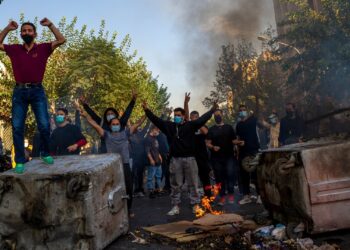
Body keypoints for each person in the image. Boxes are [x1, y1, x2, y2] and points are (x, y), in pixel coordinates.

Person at [0, 18, 66, 173]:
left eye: (30, 30)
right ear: (21, 34)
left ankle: (44, 152)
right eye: (24, 31)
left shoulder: (43, 48)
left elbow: (61, 39)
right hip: (20, 92)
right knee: (17, 127)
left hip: (37, 91)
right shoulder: (14, 49)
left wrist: (50, 25)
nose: (26, 32)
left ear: (35, 34)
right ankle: (20, 160)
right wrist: (7, 29)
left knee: (44, 124)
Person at [142, 99, 218, 216]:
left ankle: (195, 205)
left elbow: (203, 119)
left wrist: (212, 110)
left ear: (183, 116)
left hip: (190, 159)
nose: (176, 117)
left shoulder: (190, 125)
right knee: (175, 184)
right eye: (174, 115)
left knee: (193, 183)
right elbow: (156, 120)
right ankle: (175, 206)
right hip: (175, 160)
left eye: (178, 115)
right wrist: (146, 110)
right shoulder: (170, 126)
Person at [81, 103, 144, 214]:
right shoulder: (106, 135)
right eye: (113, 124)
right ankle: (112, 209)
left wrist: (146, 111)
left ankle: (128, 209)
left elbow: (138, 123)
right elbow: (94, 124)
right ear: (110, 126)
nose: (115, 125)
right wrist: (86, 116)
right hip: (112, 166)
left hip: (124, 164)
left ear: (120, 125)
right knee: (112, 187)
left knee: (128, 187)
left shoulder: (125, 133)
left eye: (117, 124)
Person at [206, 109, 239, 205]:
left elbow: (233, 140)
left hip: (229, 156)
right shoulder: (211, 129)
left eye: (218, 115)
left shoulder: (229, 127)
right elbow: (208, 143)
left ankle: (231, 193)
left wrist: (239, 142)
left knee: (230, 174)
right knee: (219, 177)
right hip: (216, 158)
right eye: (215, 116)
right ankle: (222, 197)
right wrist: (213, 147)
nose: (217, 117)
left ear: (222, 115)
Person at [184, 93, 212, 198]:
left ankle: (208, 196)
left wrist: (198, 123)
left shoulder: (202, 126)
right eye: (191, 118)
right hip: (191, 156)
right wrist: (186, 103)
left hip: (202, 156)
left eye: (194, 118)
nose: (192, 119)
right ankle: (194, 198)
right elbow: (185, 116)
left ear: (198, 117)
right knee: (192, 178)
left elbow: (205, 132)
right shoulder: (189, 126)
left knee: (205, 178)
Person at [236, 105, 261, 205]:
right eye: (240, 110)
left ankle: (260, 196)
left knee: (256, 174)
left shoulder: (253, 120)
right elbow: (238, 138)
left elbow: (262, 125)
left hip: (254, 150)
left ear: (247, 111)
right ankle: (247, 196)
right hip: (243, 152)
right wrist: (238, 148)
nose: (242, 112)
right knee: (244, 175)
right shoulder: (238, 125)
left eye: (243, 110)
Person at [129, 117, 148, 197]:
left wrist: (147, 116)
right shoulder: (130, 135)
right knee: (134, 175)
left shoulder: (142, 133)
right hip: (133, 158)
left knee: (140, 174)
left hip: (142, 158)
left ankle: (141, 190)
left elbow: (147, 125)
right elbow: (128, 127)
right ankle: (135, 190)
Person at [145, 126, 163, 198]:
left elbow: (156, 149)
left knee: (158, 176)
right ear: (153, 130)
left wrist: (159, 156)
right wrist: (151, 159)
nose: (158, 132)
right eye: (157, 130)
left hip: (158, 161)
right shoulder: (148, 139)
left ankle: (159, 190)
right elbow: (147, 151)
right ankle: (151, 191)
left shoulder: (155, 138)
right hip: (152, 162)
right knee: (150, 177)